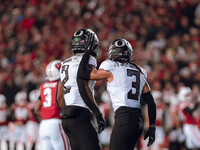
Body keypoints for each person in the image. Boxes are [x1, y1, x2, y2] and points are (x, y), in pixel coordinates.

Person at [77, 37, 157, 150]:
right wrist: (152, 126)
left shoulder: (111, 66)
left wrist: (87, 52)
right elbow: (151, 102)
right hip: (138, 121)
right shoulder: (139, 71)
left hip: (124, 118)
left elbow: (82, 73)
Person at [56, 28, 106, 150]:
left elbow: (59, 96)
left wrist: (68, 112)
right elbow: (83, 85)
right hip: (81, 114)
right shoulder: (89, 59)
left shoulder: (65, 63)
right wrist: (98, 113)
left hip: (67, 118)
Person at [34, 60, 70, 150]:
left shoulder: (43, 86)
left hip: (43, 125)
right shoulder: (60, 85)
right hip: (56, 123)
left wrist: (47, 115)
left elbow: (36, 109)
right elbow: (60, 102)